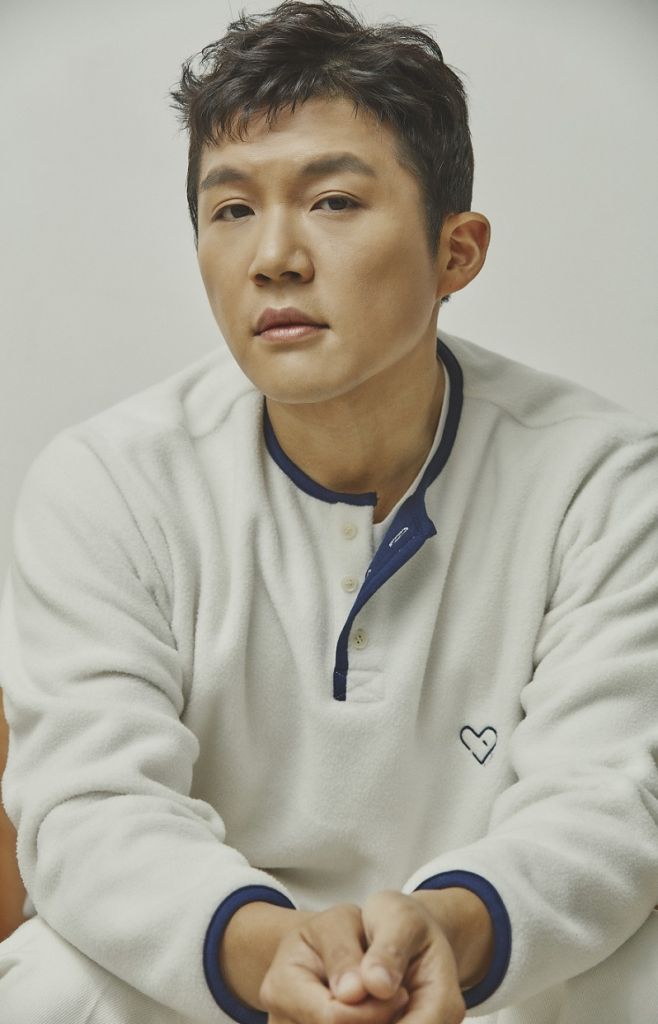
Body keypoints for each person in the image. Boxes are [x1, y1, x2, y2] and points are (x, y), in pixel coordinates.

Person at [0, 1, 656, 1021]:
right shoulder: (107, 481)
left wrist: (444, 932)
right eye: (230, 209)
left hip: (491, 971)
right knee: (48, 986)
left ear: (456, 252)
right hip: (219, 970)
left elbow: (609, 801)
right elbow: (91, 810)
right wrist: (275, 955)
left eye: (334, 201)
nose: (274, 256)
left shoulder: (602, 481)